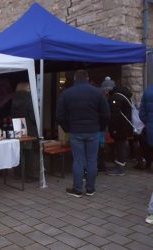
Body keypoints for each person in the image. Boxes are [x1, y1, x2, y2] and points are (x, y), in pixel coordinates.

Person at [56, 70, 110, 198]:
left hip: (75, 131)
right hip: (93, 131)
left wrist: (67, 128)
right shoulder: (98, 93)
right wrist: (100, 128)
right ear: (87, 78)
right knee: (92, 160)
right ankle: (90, 189)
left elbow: (59, 115)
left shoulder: (66, 93)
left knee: (78, 161)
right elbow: (106, 114)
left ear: (75, 78)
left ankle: (77, 189)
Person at [11, 82, 38, 182]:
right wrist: (36, 122)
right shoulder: (28, 97)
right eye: (29, 87)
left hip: (17, 125)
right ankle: (29, 176)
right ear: (26, 88)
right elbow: (32, 113)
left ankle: (17, 173)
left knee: (19, 150)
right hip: (28, 126)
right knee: (29, 151)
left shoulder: (14, 98)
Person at [106, 85, 134, 176]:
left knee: (120, 146)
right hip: (124, 126)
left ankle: (120, 169)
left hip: (120, 127)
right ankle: (119, 166)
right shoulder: (123, 96)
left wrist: (110, 126)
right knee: (121, 145)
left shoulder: (116, 98)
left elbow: (114, 114)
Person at [139, 84, 153, 170]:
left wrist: (148, 121)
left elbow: (142, 113)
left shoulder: (148, 91)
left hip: (150, 124)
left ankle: (149, 163)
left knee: (150, 145)